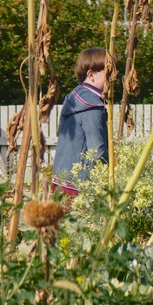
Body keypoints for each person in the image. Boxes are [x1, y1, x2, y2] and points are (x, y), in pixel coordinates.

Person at [53, 47, 109, 197]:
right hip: (80, 188)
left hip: (60, 182)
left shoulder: (72, 98)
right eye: (108, 74)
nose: (113, 78)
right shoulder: (92, 106)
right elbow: (97, 152)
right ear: (91, 74)